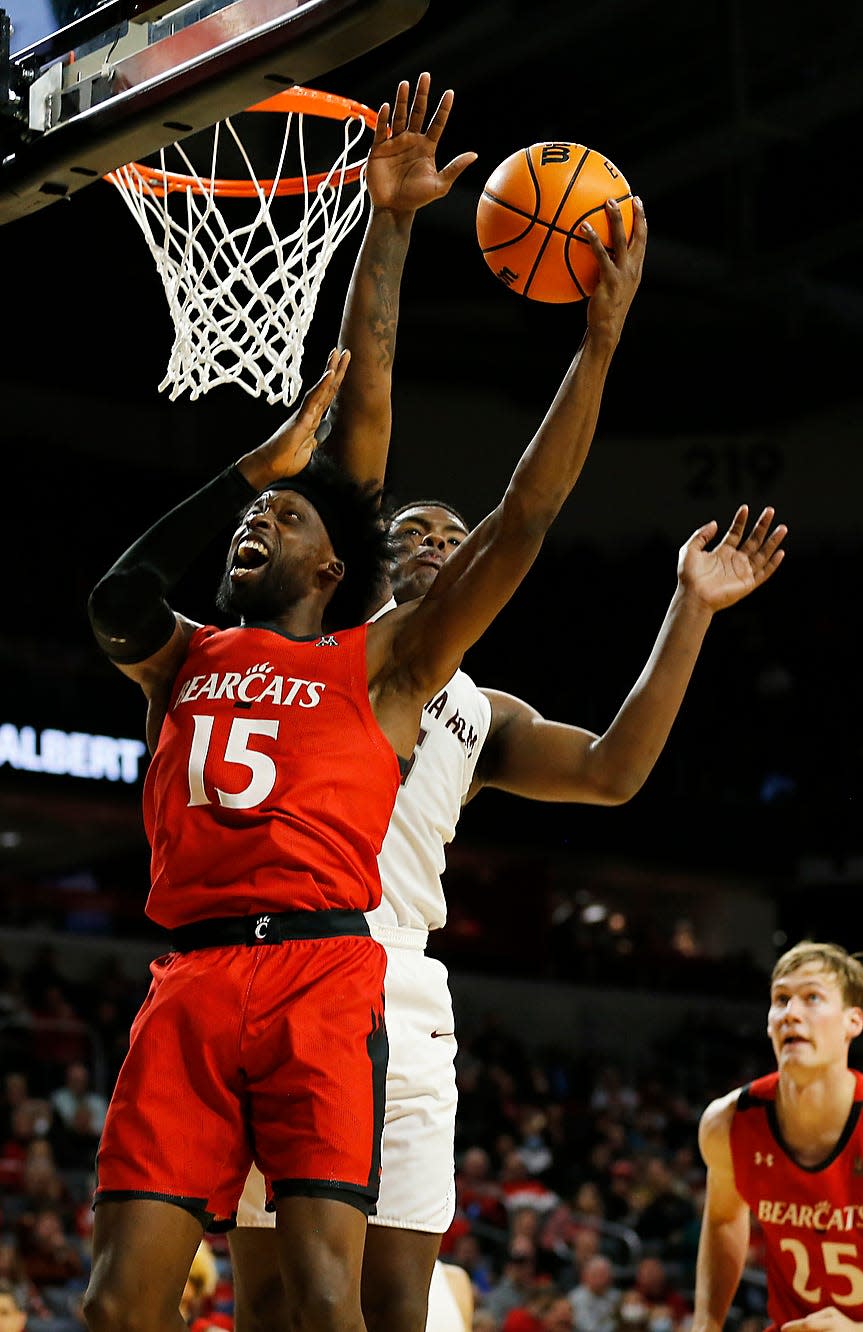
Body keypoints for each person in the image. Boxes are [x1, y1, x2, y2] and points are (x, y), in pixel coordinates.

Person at [80, 64, 647, 1331]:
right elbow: (117, 598)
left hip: (329, 982)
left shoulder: (378, 666)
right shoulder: (185, 654)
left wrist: (597, 340)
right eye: (251, 512)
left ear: (333, 567)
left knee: (328, 1306)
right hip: (190, 979)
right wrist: (254, 456)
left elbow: (520, 515)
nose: (257, 522)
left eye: (281, 514)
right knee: (121, 1307)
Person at [228, 71, 787, 1332]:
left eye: (448, 534)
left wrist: (687, 609)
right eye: (407, 534)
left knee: (392, 1306)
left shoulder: (476, 710)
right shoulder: (343, 638)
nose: (431, 545)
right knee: (269, 1305)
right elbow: (369, 385)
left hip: (405, 995)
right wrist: (390, 223)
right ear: (362, 563)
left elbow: (611, 775)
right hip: (285, 968)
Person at [691, 941, 863, 1332]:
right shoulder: (728, 1122)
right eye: (781, 999)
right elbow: (724, 1220)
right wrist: (706, 1325)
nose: (791, 1013)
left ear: (854, 1022)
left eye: (812, 997)